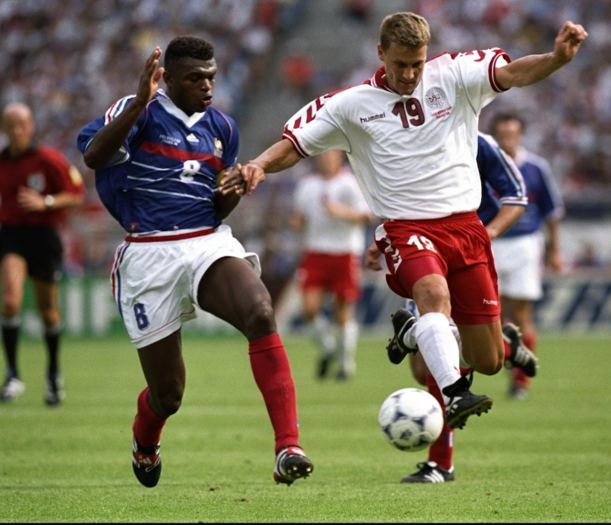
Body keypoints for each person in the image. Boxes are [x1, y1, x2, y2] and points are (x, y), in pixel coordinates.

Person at [224, 12, 587, 434]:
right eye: (400, 64)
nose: (411, 73)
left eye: (417, 63)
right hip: (407, 228)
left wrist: (556, 58)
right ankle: (453, 394)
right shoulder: (350, 105)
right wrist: (259, 166)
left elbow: (513, 73)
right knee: (433, 293)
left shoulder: (453, 74)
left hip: (467, 229)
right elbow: (295, 145)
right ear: (381, 54)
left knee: (489, 361)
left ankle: (414, 332)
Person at [76, 36, 313, 488]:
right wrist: (138, 102)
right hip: (149, 253)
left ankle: (288, 446)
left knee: (261, 312)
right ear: (167, 79)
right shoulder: (138, 109)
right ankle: (145, 440)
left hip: (206, 241)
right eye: (195, 78)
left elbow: (214, 206)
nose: (207, 86)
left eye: (211, 77)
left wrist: (232, 195)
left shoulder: (223, 127)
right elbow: (93, 156)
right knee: (169, 394)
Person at [376, 131, 530, 482]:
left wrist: (484, 235)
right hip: (420, 248)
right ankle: (441, 462)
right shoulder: (401, 132)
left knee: (485, 362)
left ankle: (491, 345)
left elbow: (516, 196)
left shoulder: (478, 140)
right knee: (425, 368)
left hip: (469, 249)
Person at [0, 103, 85, 406]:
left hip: (44, 238)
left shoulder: (49, 159)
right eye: (11, 125)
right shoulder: (3, 162)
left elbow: (76, 195)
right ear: (4, 129)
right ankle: (12, 374)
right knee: (10, 300)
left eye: (21, 124)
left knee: (48, 311)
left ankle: (52, 374)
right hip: (11, 236)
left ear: (31, 126)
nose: (17, 131)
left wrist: (45, 201)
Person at [489, 112, 565, 400]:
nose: (508, 139)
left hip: (524, 245)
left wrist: (555, 250)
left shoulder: (535, 167)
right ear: (495, 137)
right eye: (503, 135)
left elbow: (552, 211)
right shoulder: (482, 163)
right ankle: (510, 351)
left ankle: (521, 382)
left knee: (521, 313)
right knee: (489, 313)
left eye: (513, 134)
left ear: (521, 136)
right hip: (490, 243)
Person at [290, 150, 374, 381]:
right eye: (322, 153)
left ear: (339, 156)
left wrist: (342, 212)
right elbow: (299, 216)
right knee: (309, 309)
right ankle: (328, 347)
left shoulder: (349, 182)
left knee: (342, 311)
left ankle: (346, 365)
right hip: (315, 252)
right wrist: (297, 222)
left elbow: (368, 216)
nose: (326, 157)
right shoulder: (307, 184)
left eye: (331, 153)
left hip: (345, 252)